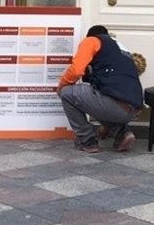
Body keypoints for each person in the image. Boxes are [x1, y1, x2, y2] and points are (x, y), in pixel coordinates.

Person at [57, 25, 144, 153]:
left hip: (113, 104)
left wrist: (61, 86)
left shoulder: (92, 40)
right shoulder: (121, 49)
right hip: (133, 109)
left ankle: (87, 141)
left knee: (67, 93)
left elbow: (76, 71)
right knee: (97, 96)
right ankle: (122, 134)